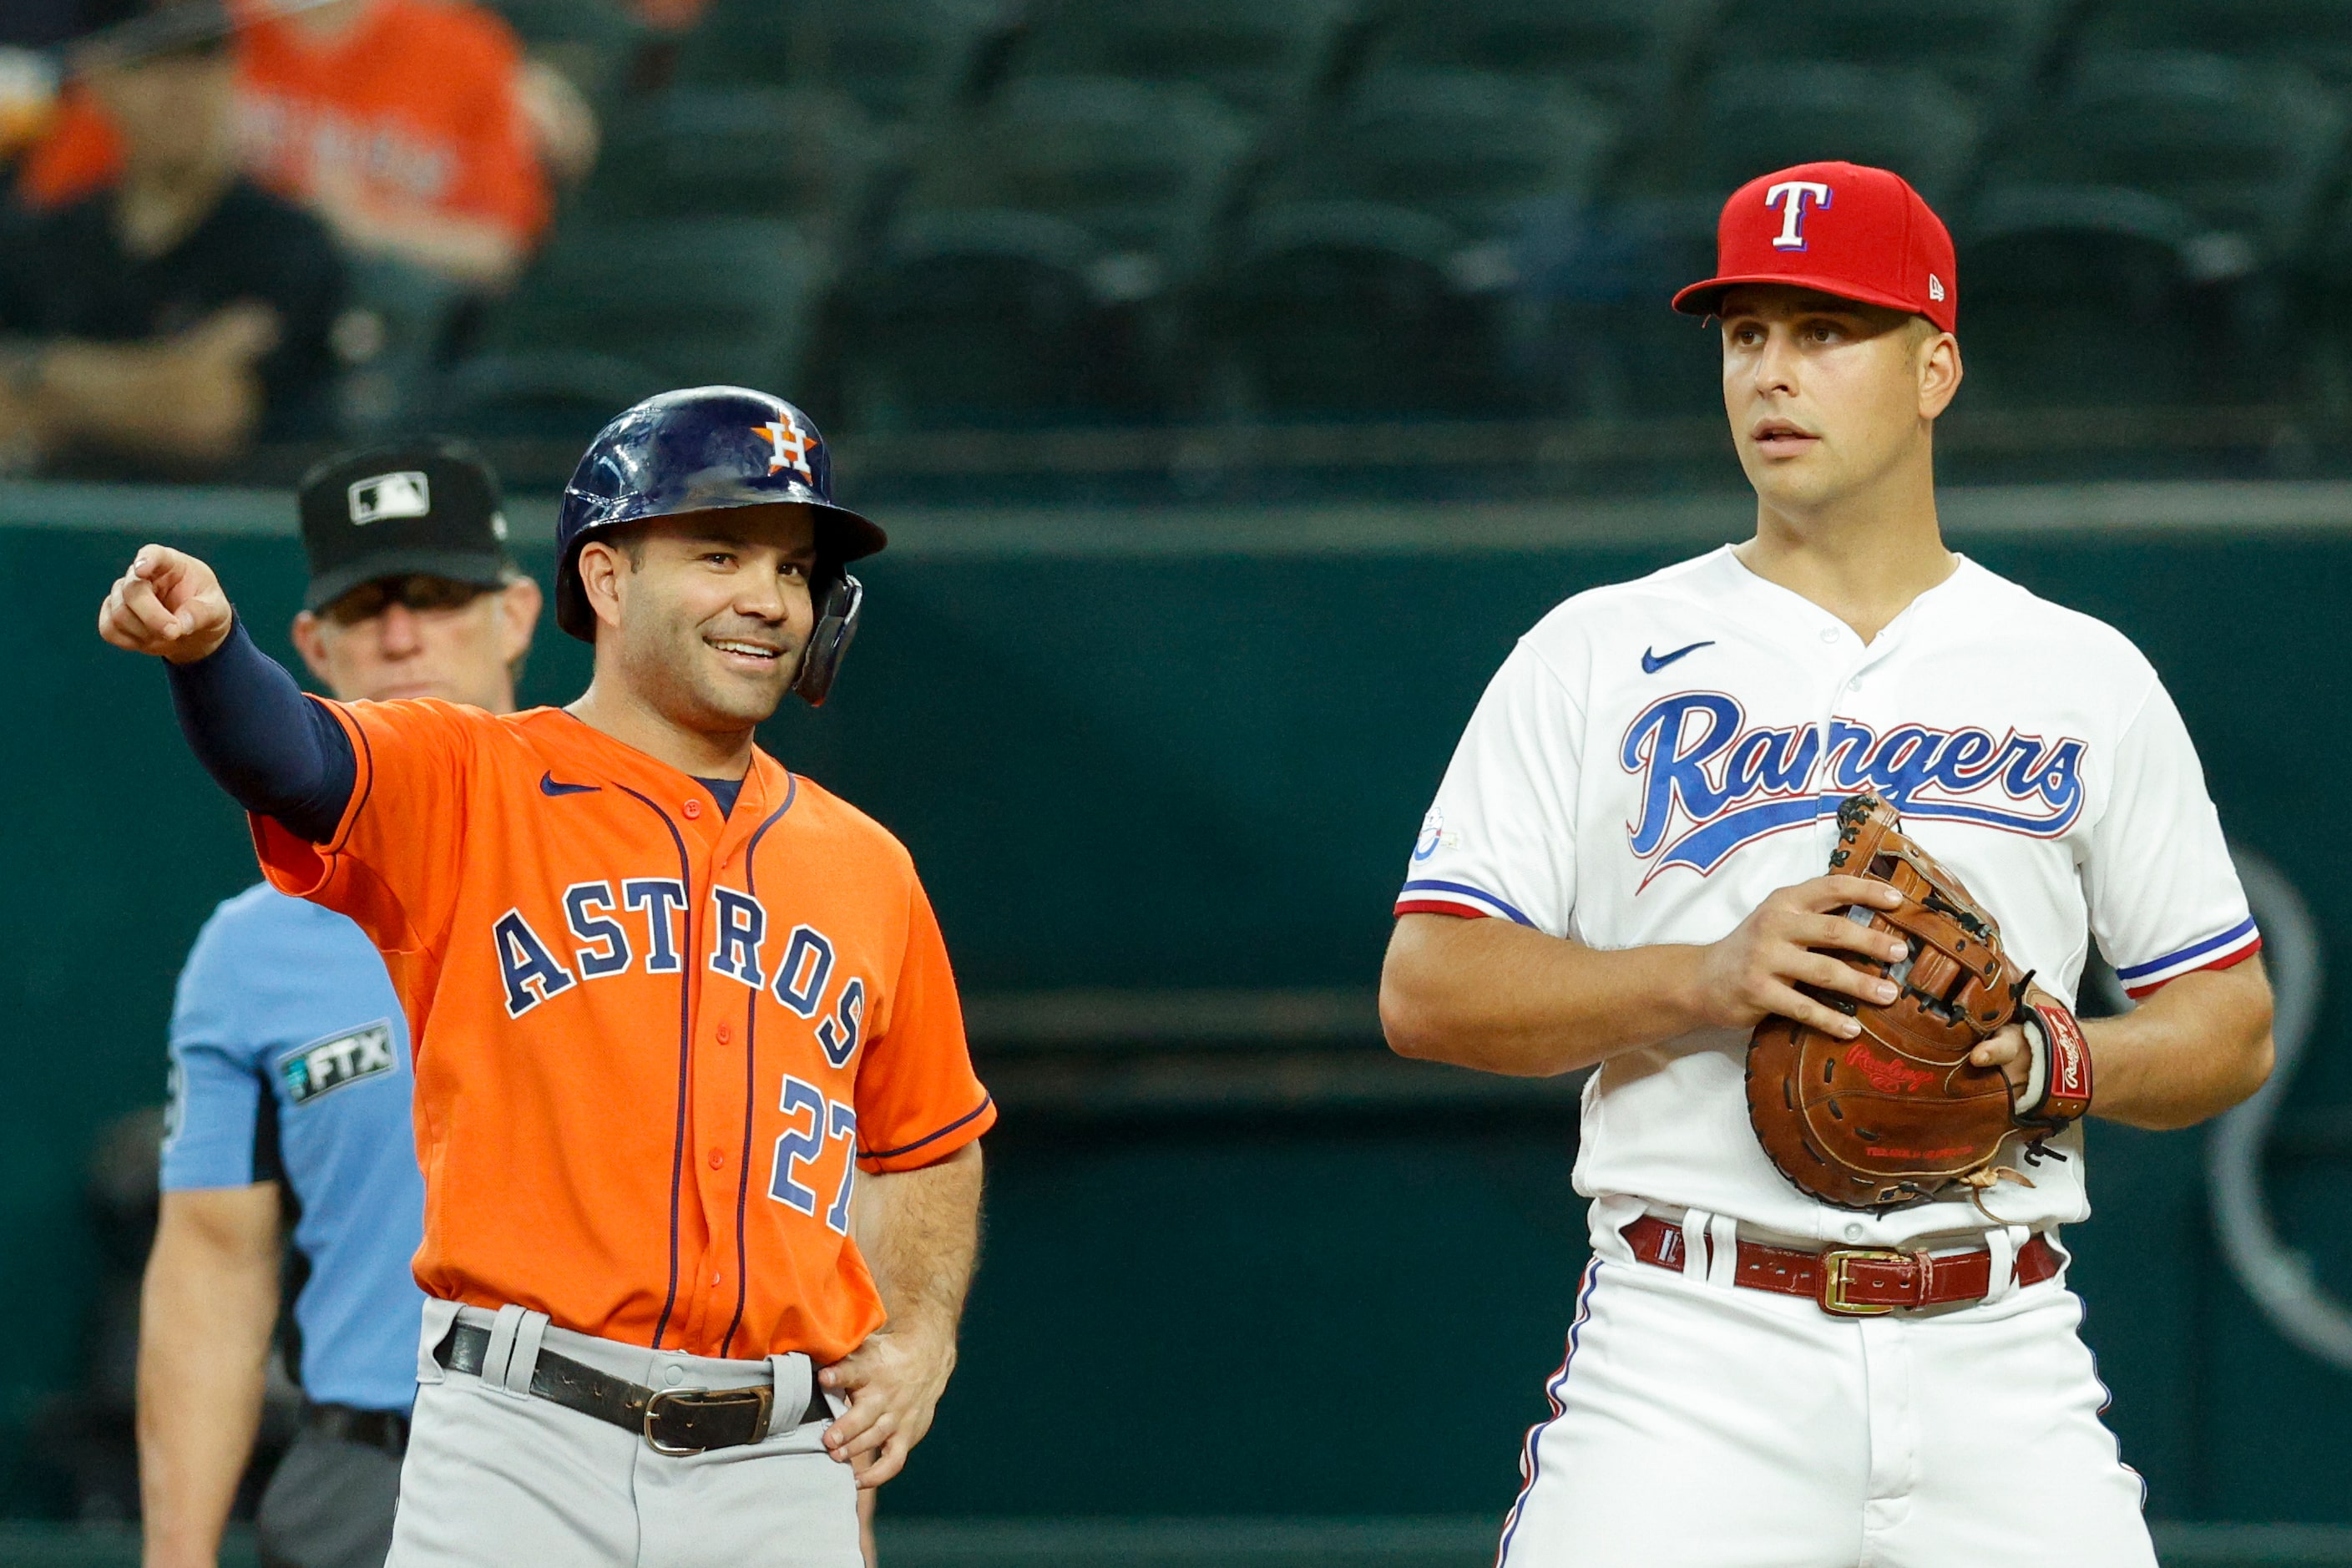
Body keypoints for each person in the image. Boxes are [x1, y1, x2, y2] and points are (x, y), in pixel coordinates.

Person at [1378, 161, 2276, 1567]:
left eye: (1824, 331)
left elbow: (2229, 1026)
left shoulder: (2079, 670)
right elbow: (1427, 987)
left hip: (2001, 1341)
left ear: (1934, 368)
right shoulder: (1595, 649)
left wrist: (2056, 1063)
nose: (1771, 374)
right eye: (1746, 335)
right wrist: (1706, 975)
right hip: (1692, 1346)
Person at [99, 385, 990, 1567]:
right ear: (607, 581)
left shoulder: (869, 867)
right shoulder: (470, 779)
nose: (768, 600)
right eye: (720, 552)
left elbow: (927, 1139)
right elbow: (292, 753)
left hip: (779, 1463)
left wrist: (923, 1331)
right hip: (521, 1440)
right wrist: (211, 656)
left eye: (794, 569)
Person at [141, 441, 541, 1568]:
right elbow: (214, 1267)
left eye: (440, 596)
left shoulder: (637, 877)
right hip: (372, 1478)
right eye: (365, 607)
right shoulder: (251, 948)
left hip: (617, 1453)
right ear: (311, 647)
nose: (403, 634)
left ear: (517, 615)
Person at [0, 3, 342, 474]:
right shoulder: (40, 242)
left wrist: (38, 370)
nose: (181, 88)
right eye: (151, 61)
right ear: (98, 79)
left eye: (202, 57)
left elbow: (203, 412)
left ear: (234, 72)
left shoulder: (285, 241)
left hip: (225, 535)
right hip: (57, 530)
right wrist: (172, 373)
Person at [24, 0, 550, 291]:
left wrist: (371, 227)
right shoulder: (192, 27)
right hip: (185, 304)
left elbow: (500, 248)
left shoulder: (464, 47)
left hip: (378, 335)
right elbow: (54, 211)